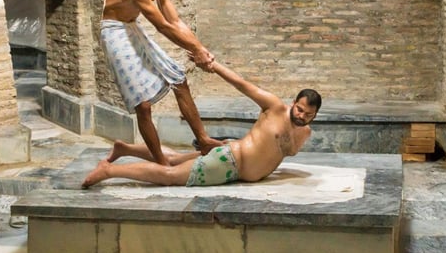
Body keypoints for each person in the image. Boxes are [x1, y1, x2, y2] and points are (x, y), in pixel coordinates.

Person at [82, 59, 322, 188]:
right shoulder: (275, 107)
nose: (301, 116)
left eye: (308, 114)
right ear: (293, 103)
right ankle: (109, 171)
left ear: (314, 115)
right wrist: (212, 65)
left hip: (232, 159)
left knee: (174, 158)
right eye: (299, 109)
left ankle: (125, 149)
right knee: (170, 174)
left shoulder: (304, 133)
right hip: (230, 162)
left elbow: (274, 152)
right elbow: (242, 84)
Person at [100, 0, 222, 165]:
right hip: (114, 32)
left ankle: (203, 140)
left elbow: (175, 22)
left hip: (132, 28)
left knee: (179, 79)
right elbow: (162, 26)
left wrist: (200, 48)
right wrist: (195, 50)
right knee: (143, 105)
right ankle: (161, 162)